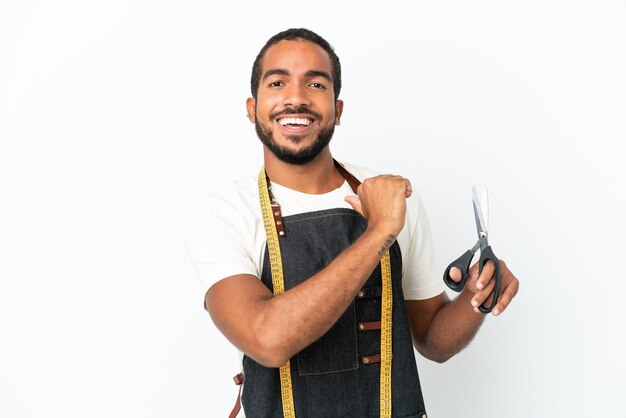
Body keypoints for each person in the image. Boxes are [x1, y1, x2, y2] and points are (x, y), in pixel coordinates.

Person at [186, 28, 520, 418]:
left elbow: (432, 338)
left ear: (338, 110)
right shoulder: (224, 213)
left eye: (316, 83)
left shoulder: (393, 198)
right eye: (277, 82)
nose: (296, 98)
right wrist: (378, 232)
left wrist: (475, 297)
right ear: (251, 107)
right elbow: (267, 339)